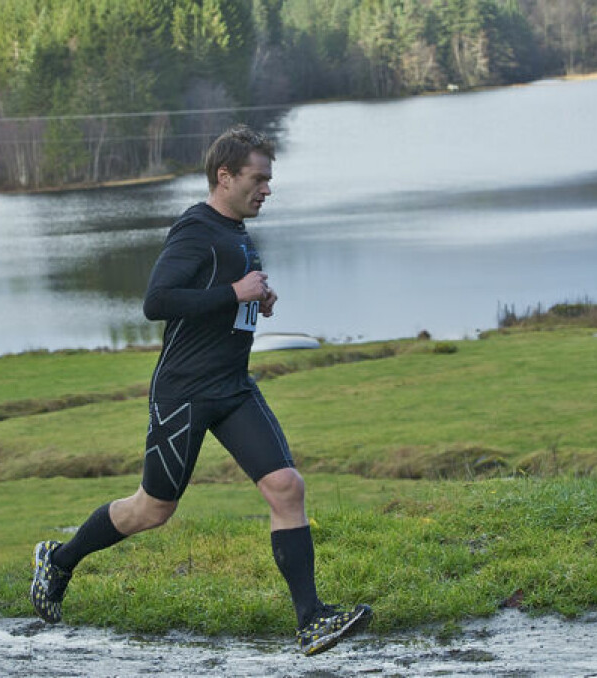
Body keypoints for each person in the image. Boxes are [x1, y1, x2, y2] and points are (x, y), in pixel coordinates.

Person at [30, 124, 372, 656]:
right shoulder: (195, 229)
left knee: (287, 488)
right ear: (225, 176)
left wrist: (255, 299)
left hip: (233, 387)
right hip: (184, 393)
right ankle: (59, 559)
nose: (267, 188)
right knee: (152, 509)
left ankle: (311, 620)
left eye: (269, 179)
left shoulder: (236, 230)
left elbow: (224, 297)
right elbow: (158, 301)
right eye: (258, 178)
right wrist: (234, 291)